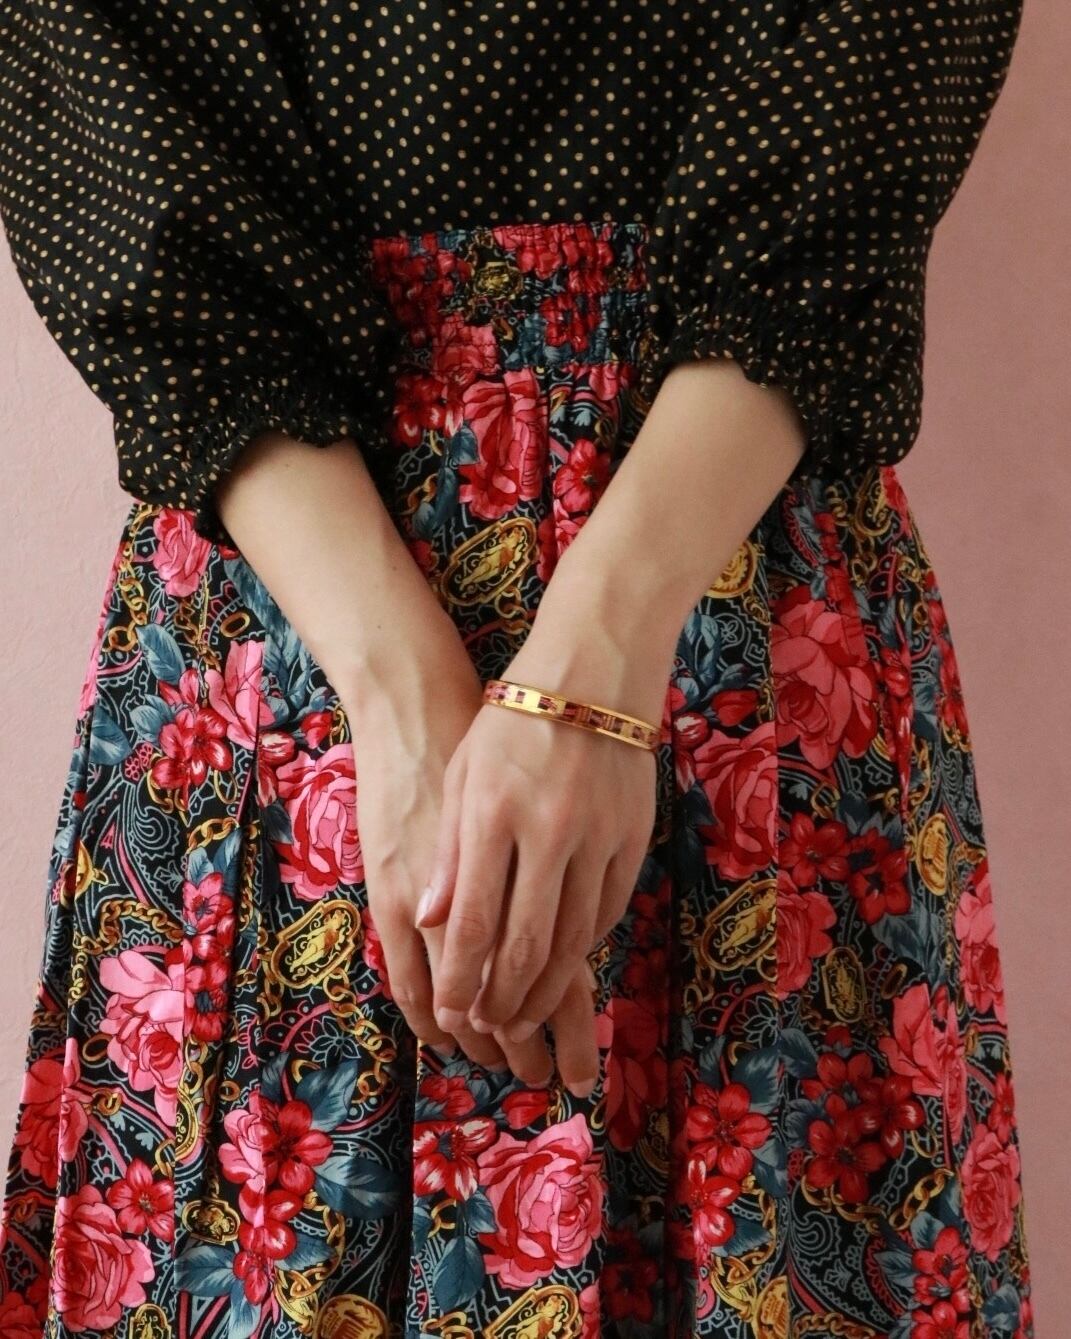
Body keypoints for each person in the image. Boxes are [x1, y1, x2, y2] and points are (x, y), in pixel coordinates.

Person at [0, 1, 1035, 1336]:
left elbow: (869, 93)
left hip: (734, 613)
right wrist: (403, 699)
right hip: (303, 638)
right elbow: (117, 123)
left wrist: (594, 667)